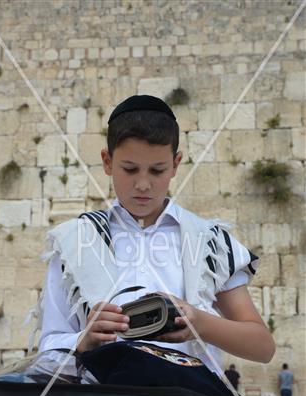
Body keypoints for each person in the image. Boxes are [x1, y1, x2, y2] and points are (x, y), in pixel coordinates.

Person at [38, 94, 275, 372]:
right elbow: (48, 350)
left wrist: (200, 323)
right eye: (130, 169)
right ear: (107, 162)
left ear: (175, 165)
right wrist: (84, 340)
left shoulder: (209, 241)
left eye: (157, 170)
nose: (143, 184)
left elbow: (263, 347)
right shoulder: (73, 240)